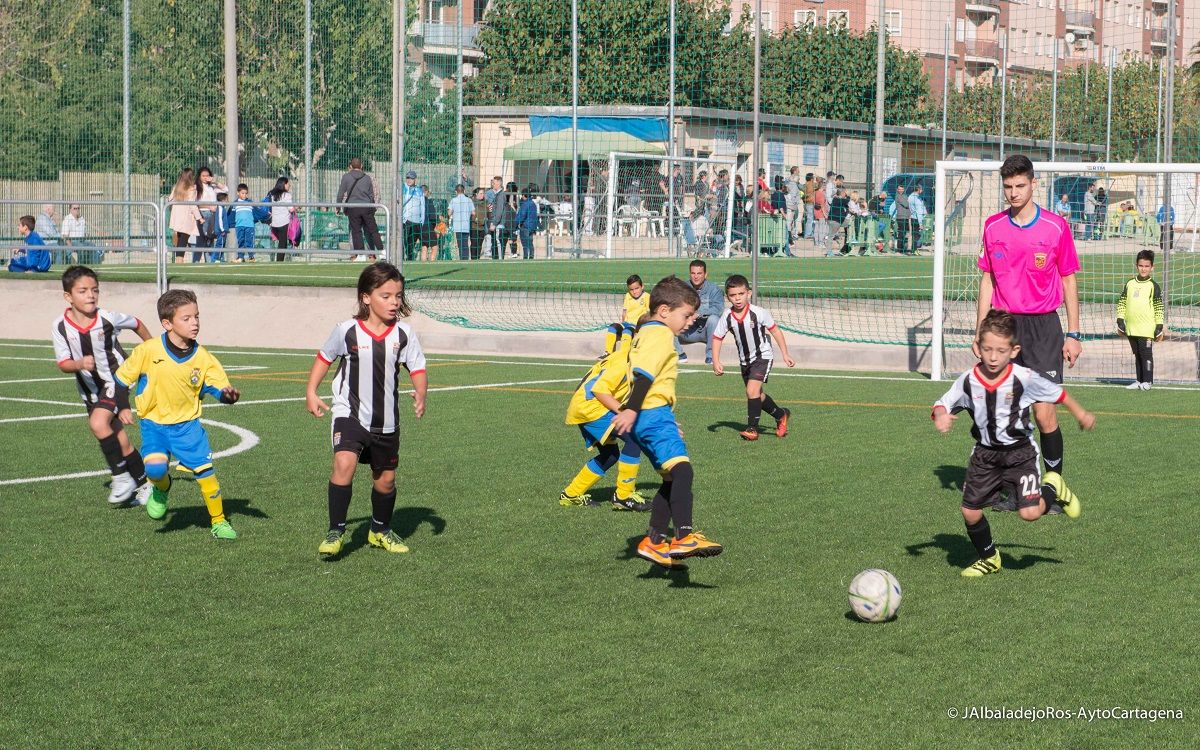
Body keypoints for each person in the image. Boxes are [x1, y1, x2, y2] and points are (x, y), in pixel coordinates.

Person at [932, 309, 1094, 577]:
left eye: (1000, 350)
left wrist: (1081, 414)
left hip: (1020, 456)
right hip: (984, 456)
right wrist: (941, 416)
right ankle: (989, 558)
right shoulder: (968, 381)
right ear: (978, 347)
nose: (993, 356)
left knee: (1029, 513)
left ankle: (1054, 486)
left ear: (1014, 350)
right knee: (970, 511)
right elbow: (944, 402)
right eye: (987, 349)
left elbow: (1058, 393)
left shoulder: (1023, 378)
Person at [977, 154, 1081, 512]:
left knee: (1044, 413)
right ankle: (1014, 489)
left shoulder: (1055, 227)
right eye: (1007, 186)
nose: (1013, 193)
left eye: (1020, 185)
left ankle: (1054, 489)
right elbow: (987, 279)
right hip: (1004, 326)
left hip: (1043, 327)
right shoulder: (992, 227)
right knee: (1004, 414)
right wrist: (982, 333)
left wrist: (1074, 332)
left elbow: (1068, 279)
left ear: (1033, 184)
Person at [305, 262, 428, 557]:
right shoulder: (346, 331)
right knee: (344, 463)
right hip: (350, 413)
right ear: (365, 297)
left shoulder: (404, 334)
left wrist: (421, 392)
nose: (394, 302)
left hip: (386, 421)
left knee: (385, 481)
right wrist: (311, 391)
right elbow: (324, 357)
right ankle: (336, 530)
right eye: (385, 296)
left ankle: (380, 529)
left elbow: (418, 366)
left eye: (398, 296)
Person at [612, 276, 723, 567]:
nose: (689, 321)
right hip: (650, 413)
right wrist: (635, 410)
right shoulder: (660, 334)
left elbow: (651, 377)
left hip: (652, 414)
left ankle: (654, 541)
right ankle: (683, 537)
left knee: (671, 478)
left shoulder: (646, 333)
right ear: (664, 311)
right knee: (683, 473)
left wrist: (662, 417)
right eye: (686, 315)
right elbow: (645, 375)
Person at [113, 289, 242, 540]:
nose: (194, 323)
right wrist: (123, 406)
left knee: (206, 474)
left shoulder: (204, 358)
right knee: (156, 470)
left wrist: (229, 396)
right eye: (186, 318)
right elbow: (120, 381)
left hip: (188, 427)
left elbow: (217, 389)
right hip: (154, 425)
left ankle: (218, 521)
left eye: (196, 316)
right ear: (167, 323)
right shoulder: (148, 351)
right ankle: (162, 488)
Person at [52, 265, 153, 505]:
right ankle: (146, 485)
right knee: (119, 439)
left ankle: (120, 477)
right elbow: (63, 363)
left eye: (95, 290)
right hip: (89, 389)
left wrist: (152, 348)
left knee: (98, 423)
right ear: (68, 296)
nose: (91, 295)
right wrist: (78, 364)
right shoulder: (60, 326)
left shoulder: (108, 317)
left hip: (116, 379)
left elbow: (136, 323)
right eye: (83, 291)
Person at [560, 335, 649, 512]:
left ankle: (571, 494)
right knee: (634, 437)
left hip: (585, 406)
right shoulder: (623, 362)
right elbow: (599, 390)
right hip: (592, 407)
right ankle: (623, 495)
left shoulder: (628, 356)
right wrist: (625, 413)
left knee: (610, 454)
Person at [710, 274, 794, 441]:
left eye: (741, 294)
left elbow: (775, 331)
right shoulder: (727, 316)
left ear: (748, 293)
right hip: (745, 361)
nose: (737, 299)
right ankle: (781, 415)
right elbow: (717, 337)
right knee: (757, 395)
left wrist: (785, 353)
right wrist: (716, 360)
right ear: (728, 297)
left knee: (751, 391)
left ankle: (752, 428)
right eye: (733, 296)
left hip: (763, 356)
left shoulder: (759, 313)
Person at [1116, 249, 1165, 390]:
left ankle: (1148, 382)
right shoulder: (1130, 283)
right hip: (1131, 327)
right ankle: (1139, 380)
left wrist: (1159, 325)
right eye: (1141, 266)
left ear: (1152, 267)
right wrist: (1120, 319)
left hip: (1147, 328)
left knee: (1146, 354)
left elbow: (1158, 307)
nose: (1144, 269)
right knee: (1137, 354)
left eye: (1147, 266)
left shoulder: (1153, 286)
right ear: (1136, 265)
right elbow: (1122, 302)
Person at [674, 259, 724, 364]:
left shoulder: (714, 289)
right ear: (690, 274)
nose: (696, 276)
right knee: (669, 319)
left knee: (714, 319)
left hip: (706, 331)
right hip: (687, 331)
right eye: (693, 273)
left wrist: (698, 314)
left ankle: (711, 356)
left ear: (705, 274)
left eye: (699, 273)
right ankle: (680, 354)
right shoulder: (682, 288)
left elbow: (718, 309)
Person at [338, 157, 383, 261]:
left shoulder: (346, 177)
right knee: (373, 230)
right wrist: (372, 208)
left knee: (356, 231)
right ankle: (382, 252)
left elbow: (341, 194)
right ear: (361, 166)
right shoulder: (368, 178)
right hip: (367, 207)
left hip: (353, 208)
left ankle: (361, 254)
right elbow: (372, 194)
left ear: (350, 166)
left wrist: (338, 207)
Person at [195, 167, 228, 262]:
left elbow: (226, 189)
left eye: (207, 175)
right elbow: (195, 203)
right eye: (203, 176)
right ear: (199, 176)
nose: (206, 178)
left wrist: (214, 181)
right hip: (203, 214)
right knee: (201, 239)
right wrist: (209, 206)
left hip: (213, 215)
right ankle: (195, 262)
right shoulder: (196, 187)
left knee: (210, 239)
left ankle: (209, 262)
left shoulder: (212, 187)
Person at [168, 168, 200, 261]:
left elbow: (170, 200)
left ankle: (178, 260)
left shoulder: (176, 187)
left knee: (180, 241)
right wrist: (199, 217)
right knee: (183, 240)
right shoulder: (192, 188)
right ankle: (179, 261)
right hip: (186, 218)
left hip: (176, 217)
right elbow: (192, 205)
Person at [268, 176, 295, 262]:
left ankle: (279, 259)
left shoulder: (272, 195)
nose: (289, 185)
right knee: (282, 244)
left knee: (281, 243)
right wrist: (297, 207)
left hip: (274, 224)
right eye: (287, 183)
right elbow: (291, 209)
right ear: (284, 184)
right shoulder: (287, 195)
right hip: (283, 223)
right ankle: (279, 262)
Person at [401, 170, 425, 261]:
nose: (409, 180)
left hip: (416, 222)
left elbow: (422, 207)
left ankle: (410, 258)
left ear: (415, 179)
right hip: (405, 220)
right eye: (407, 178)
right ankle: (402, 258)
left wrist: (421, 221)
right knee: (404, 241)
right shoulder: (403, 188)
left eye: (411, 178)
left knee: (412, 242)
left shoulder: (419, 190)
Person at [230, 183, 258, 263]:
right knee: (240, 241)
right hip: (239, 226)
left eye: (246, 193)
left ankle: (251, 257)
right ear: (238, 193)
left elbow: (257, 212)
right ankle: (240, 257)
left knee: (249, 242)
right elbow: (230, 215)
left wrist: (266, 217)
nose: (244, 195)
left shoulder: (250, 202)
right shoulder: (235, 204)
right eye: (242, 193)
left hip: (250, 226)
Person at [448, 183, 474, 261]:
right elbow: (473, 213)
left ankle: (462, 259)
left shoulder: (453, 200)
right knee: (465, 243)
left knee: (460, 244)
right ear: (464, 191)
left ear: (456, 191)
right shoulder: (469, 200)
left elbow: (449, 213)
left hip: (457, 225)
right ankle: (465, 258)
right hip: (466, 225)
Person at [205, 191, 230, 263]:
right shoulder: (220, 208)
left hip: (223, 230)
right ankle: (215, 258)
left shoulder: (222, 208)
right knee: (220, 244)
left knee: (222, 244)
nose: (227, 201)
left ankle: (221, 258)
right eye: (226, 199)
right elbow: (219, 219)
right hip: (221, 231)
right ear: (222, 200)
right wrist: (222, 230)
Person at [515, 187, 539, 260]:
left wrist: (516, 223)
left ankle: (526, 257)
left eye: (522, 195)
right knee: (530, 243)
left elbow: (522, 215)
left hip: (525, 226)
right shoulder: (533, 204)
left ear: (524, 195)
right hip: (532, 226)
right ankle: (531, 257)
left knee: (525, 244)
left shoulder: (525, 204)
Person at [827, 187, 849, 257]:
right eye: (845, 192)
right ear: (842, 193)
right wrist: (848, 195)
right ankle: (829, 252)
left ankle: (846, 246)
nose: (845, 194)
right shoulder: (839, 199)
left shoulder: (836, 199)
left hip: (835, 220)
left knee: (849, 225)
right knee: (831, 236)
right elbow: (848, 201)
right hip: (835, 220)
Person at [419, 184, 439, 262]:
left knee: (424, 246)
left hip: (420, 226)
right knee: (434, 246)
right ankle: (432, 261)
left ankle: (423, 262)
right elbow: (432, 216)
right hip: (428, 226)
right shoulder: (428, 201)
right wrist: (435, 226)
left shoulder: (418, 202)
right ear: (426, 191)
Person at [469, 187, 488, 259]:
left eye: (483, 193)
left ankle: (477, 258)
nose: (482, 195)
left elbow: (488, 212)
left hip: (482, 227)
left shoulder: (486, 202)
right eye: (481, 193)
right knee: (474, 243)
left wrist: (487, 219)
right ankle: (473, 258)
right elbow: (471, 214)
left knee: (480, 244)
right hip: (474, 227)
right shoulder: (472, 202)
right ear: (476, 194)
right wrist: (477, 220)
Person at [891, 185, 910, 254]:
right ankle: (899, 248)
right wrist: (908, 202)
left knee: (904, 233)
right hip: (901, 217)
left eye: (902, 189)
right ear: (897, 190)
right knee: (901, 233)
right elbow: (906, 204)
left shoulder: (905, 196)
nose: (901, 190)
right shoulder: (898, 196)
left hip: (906, 217)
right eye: (899, 189)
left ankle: (903, 248)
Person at [907, 184, 927, 253]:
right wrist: (920, 223)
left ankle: (913, 249)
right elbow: (919, 212)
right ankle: (914, 250)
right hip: (917, 219)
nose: (922, 190)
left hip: (912, 218)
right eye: (921, 189)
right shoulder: (917, 199)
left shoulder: (910, 197)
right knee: (917, 235)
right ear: (918, 189)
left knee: (914, 235)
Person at [812, 178, 830, 251]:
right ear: (822, 186)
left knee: (816, 228)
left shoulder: (815, 192)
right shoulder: (821, 194)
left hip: (816, 212)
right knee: (822, 229)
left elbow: (814, 202)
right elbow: (822, 205)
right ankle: (821, 243)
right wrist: (825, 215)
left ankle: (816, 242)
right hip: (821, 213)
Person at [802, 172, 816, 239]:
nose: (814, 179)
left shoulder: (805, 185)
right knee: (810, 219)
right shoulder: (811, 184)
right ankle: (808, 234)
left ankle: (809, 233)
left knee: (809, 219)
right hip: (810, 203)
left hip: (806, 204)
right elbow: (819, 185)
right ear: (811, 178)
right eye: (813, 178)